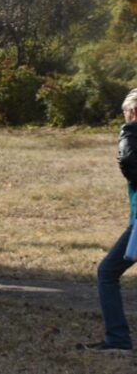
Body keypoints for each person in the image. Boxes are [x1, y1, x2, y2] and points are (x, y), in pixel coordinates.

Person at [85, 88, 137, 352]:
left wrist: (129, 129)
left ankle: (117, 338)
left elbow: (128, 161)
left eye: (127, 113)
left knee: (107, 273)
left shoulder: (132, 132)